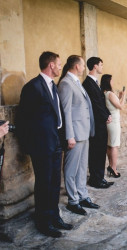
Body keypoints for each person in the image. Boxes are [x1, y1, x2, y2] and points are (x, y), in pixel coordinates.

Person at [17, 51, 72, 238]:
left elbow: (57, 115)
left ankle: (54, 216)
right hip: (41, 146)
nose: (59, 66)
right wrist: (29, 146)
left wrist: (62, 138)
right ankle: (43, 221)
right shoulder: (32, 87)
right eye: (58, 64)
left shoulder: (53, 86)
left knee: (55, 183)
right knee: (44, 184)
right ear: (50, 65)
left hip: (56, 143)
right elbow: (23, 119)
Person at [58, 55, 99, 216]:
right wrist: (69, 136)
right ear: (76, 66)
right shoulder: (66, 84)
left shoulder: (76, 82)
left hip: (84, 132)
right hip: (74, 134)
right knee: (71, 169)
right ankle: (73, 201)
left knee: (82, 168)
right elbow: (66, 112)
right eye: (82, 65)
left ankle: (82, 196)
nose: (84, 68)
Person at [82, 57, 114, 188]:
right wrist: (106, 115)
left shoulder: (94, 82)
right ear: (95, 66)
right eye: (101, 65)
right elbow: (95, 104)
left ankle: (100, 177)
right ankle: (96, 179)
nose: (102, 67)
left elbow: (101, 102)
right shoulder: (88, 83)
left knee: (101, 150)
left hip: (100, 122)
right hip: (95, 123)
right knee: (96, 151)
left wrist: (108, 114)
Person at [100, 74, 125, 178]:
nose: (113, 82)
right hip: (114, 122)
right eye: (112, 80)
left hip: (109, 122)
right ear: (108, 82)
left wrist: (118, 97)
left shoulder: (104, 93)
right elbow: (120, 106)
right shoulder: (110, 93)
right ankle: (113, 168)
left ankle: (111, 166)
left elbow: (114, 104)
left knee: (110, 145)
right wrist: (124, 95)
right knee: (114, 146)